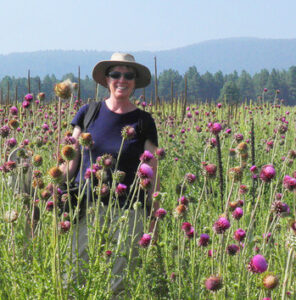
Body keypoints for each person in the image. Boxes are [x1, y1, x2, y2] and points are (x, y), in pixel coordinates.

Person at [60, 53, 159, 297]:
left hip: (127, 212)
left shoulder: (144, 122)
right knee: (73, 277)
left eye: (128, 75)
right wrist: (51, 181)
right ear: (106, 80)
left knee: (120, 283)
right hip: (86, 207)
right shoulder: (88, 112)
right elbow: (70, 162)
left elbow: (152, 174)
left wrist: (154, 216)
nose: (121, 80)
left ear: (135, 82)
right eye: (116, 74)